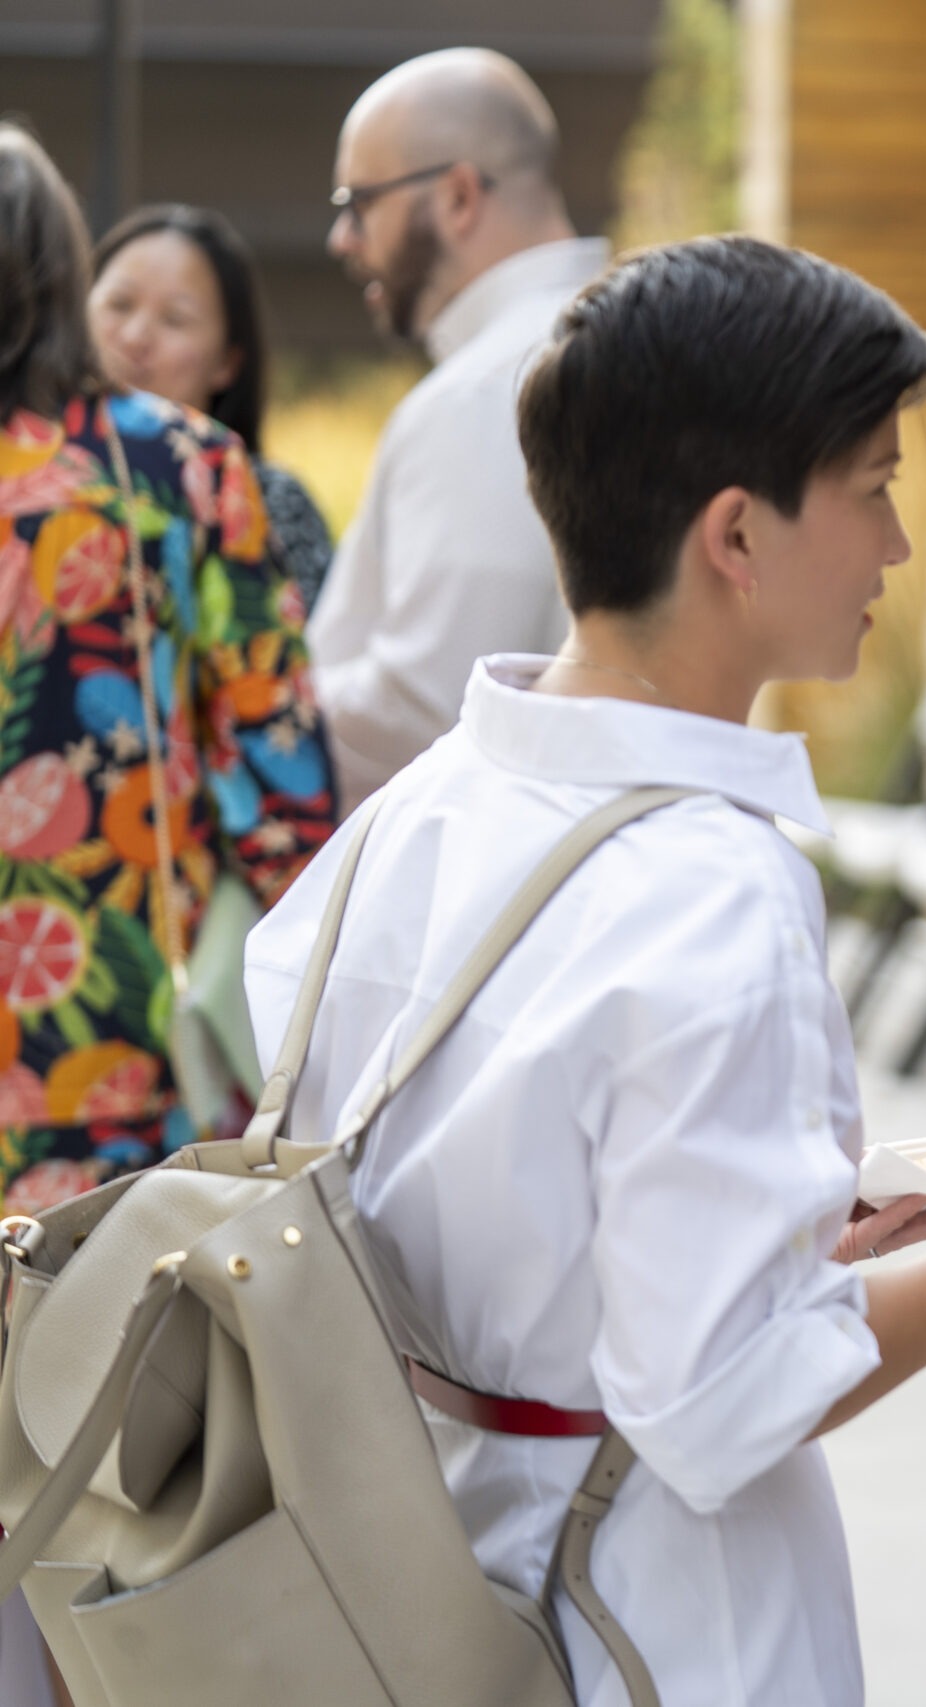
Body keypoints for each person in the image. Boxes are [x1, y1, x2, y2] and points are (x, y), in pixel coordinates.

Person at [243, 235, 926, 1706]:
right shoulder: (714, 884)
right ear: (737, 535)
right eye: (873, 488)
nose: (897, 547)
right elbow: (719, 1394)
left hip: (410, 1563)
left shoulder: (424, 805)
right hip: (646, 1611)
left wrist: (825, 1219)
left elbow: (472, 1193)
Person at [0, 123, 334, 1211]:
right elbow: (280, 780)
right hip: (118, 1036)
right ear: (64, 277)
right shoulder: (183, 467)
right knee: (95, 1352)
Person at [310, 47, 605, 804]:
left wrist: (251, 721)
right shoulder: (613, 343)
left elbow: (430, 705)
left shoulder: (487, 391)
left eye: (359, 202)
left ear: (459, 196)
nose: (342, 239)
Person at [88, 203, 335, 613]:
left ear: (228, 363)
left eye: (175, 319)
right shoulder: (28, 476)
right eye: (119, 305)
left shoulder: (271, 503)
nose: (135, 337)